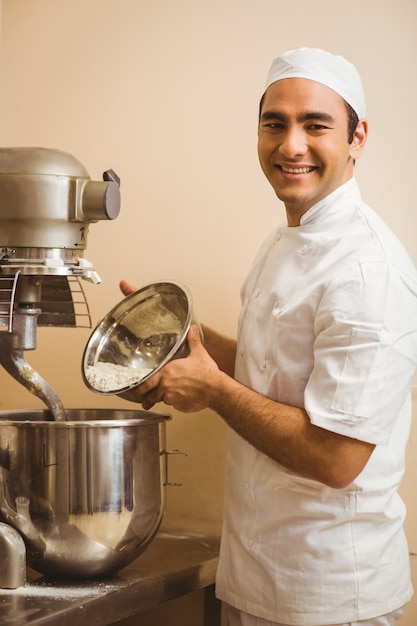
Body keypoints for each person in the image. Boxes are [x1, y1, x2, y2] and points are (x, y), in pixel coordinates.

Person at [120, 47, 417, 626]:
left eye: (316, 125)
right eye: (274, 124)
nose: (292, 145)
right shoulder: (283, 240)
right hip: (256, 575)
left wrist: (212, 390)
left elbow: (337, 457)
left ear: (357, 138)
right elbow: (267, 366)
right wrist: (183, 342)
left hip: (328, 594)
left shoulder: (368, 270)